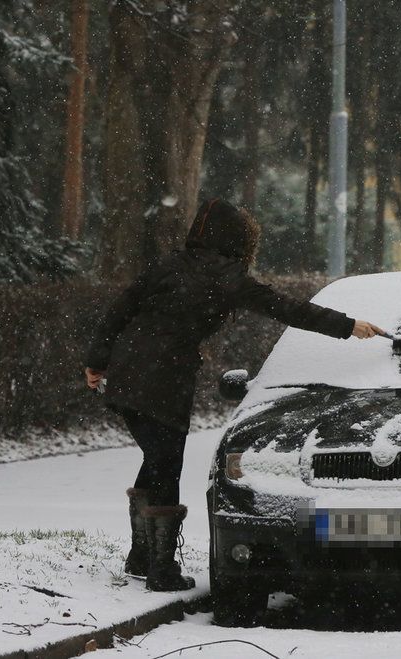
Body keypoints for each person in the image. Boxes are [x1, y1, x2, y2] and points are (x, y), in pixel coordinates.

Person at [84, 198, 383, 592]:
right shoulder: (229, 278)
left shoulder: (169, 264)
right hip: (164, 377)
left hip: (128, 369)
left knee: (157, 457)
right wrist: (349, 326)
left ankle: (142, 557)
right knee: (165, 461)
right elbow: (290, 309)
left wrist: (98, 361)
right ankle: (160, 570)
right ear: (238, 240)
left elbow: (120, 310)